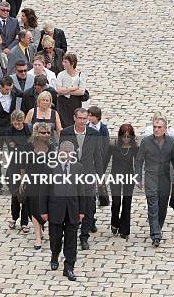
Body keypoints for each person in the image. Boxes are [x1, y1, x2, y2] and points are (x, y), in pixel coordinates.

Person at [40, 141, 85, 282]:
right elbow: (44, 190)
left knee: (71, 240)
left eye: (69, 152)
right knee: (55, 238)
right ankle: (54, 255)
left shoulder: (78, 167)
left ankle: (69, 267)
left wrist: (82, 210)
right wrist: (43, 210)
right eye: (64, 152)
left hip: (72, 209)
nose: (66, 155)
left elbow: (81, 190)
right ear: (59, 152)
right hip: (55, 209)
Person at [60, 107, 104, 251]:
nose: (82, 121)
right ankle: (69, 234)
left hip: (88, 176)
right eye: (80, 118)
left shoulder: (94, 134)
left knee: (89, 207)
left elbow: (97, 156)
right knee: (70, 206)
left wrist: (100, 176)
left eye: (85, 119)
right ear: (74, 118)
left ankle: (84, 236)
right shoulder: (65, 133)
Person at [136, 116, 174, 247]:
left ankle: (158, 227)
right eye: (154, 127)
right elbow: (139, 160)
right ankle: (155, 235)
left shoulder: (171, 142)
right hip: (150, 177)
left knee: (162, 207)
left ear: (165, 129)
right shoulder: (146, 142)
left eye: (159, 127)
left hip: (165, 179)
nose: (156, 130)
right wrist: (138, 177)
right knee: (153, 206)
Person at [106, 123, 138, 239]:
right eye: (123, 136)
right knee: (116, 202)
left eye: (128, 137)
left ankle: (124, 229)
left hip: (129, 177)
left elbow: (138, 164)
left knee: (127, 202)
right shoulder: (113, 145)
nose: (125, 139)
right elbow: (105, 161)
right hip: (115, 177)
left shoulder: (135, 147)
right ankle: (115, 222)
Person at [56, 52, 87, 127]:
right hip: (63, 103)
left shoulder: (80, 75)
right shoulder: (61, 75)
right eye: (63, 61)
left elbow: (81, 92)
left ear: (72, 63)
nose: (63, 64)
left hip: (75, 102)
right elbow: (58, 90)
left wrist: (65, 91)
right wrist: (73, 88)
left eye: (65, 62)